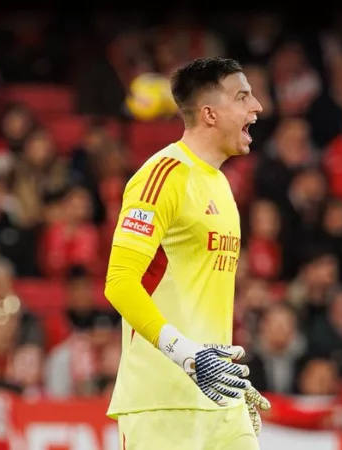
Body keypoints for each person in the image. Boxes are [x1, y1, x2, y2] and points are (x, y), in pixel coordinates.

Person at [104, 57, 269, 450]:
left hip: (219, 398)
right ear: (210, 113)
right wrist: (187, 354)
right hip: (163, 402)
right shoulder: (160, 176)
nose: (257, 106)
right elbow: (119, 283)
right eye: (242, 97)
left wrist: (226, 376)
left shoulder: (221, 185)